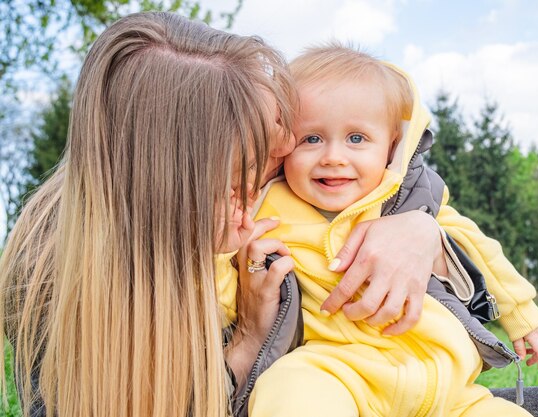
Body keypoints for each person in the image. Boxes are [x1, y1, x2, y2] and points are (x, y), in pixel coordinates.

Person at [0, 12, 453, 417]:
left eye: (277, 154)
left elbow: (390, 180)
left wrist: (422, 229)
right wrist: (250, 339)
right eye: (240, 182)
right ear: (167, 188)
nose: (258, 202)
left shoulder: (276, 167)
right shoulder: (49, 272)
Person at [246, 45, 538, 417]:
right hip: (337, 369)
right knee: (290, 390)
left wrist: (522, 315)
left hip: (446, 385)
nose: (333, 156)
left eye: (356, 138)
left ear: (391, 146)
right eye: (312, 139)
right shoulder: (267, 208)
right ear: (284, 144)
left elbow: (478, 247)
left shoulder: (414, 197)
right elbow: (224, 269)